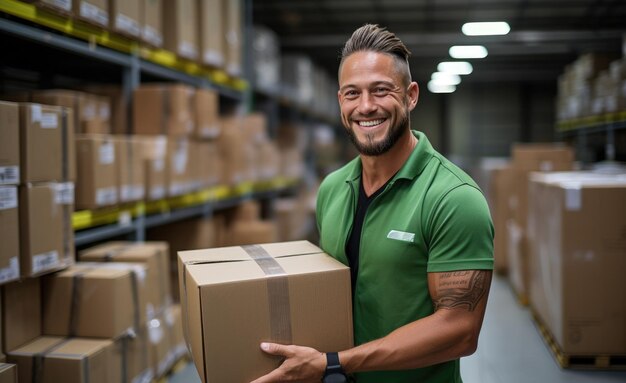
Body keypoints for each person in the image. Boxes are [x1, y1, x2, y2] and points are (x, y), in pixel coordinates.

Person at [251, 24, 494, 383]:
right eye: (353, 93)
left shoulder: (453, 198)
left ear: (411, 96)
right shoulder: (332, 188)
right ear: (340, 101)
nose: (366, 107)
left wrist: (336, 362)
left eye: (381, 91)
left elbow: (459, 329)